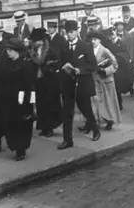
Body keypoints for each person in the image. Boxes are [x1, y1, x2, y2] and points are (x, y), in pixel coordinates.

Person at [58, 20, 100, 150]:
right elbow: (60, 62)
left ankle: (95, 130)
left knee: (85, 109)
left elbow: (92, 65)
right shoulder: (64, 46)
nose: (69, 35)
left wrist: (80, 70)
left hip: (81, 83)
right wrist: (62, 67)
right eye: (67, 32)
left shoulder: (85, 46)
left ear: (76, 31)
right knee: (67, 113)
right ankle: (67, 140)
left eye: (71, 32)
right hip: (68, 84)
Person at [1, 38, 36, 161]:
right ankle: (14, 145)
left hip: (22, 101)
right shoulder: (6, 63)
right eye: (7, 50)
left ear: (17, 51)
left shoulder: (25, 65)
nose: (8, 53)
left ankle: (21, 150)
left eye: (10, 50)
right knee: (10, 123)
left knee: (21, 125)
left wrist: (31, 103)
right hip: (9, 99)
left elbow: (31, 86)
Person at [29, 28, 63, 138]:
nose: (35, 43)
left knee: (49, 105)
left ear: (42, 41)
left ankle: (49, 128)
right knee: (40, 105)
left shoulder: (50, 50)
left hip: (50, 82)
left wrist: (47, 68)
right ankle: (43, 127)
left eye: (36, 41)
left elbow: (57, 63)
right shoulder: (33, 51)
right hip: (38, 82)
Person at [88, 30, 121, 131]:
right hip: (95, 79)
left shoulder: (105, 50)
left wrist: (105, 70)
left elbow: (115, 64)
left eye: (95, 39)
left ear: (99, 40)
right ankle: (97, 120)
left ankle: (110, 120)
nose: (93, 41)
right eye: (91, 39)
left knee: (108, 101)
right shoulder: (89, 50)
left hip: (106, 80)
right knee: (95, 101)